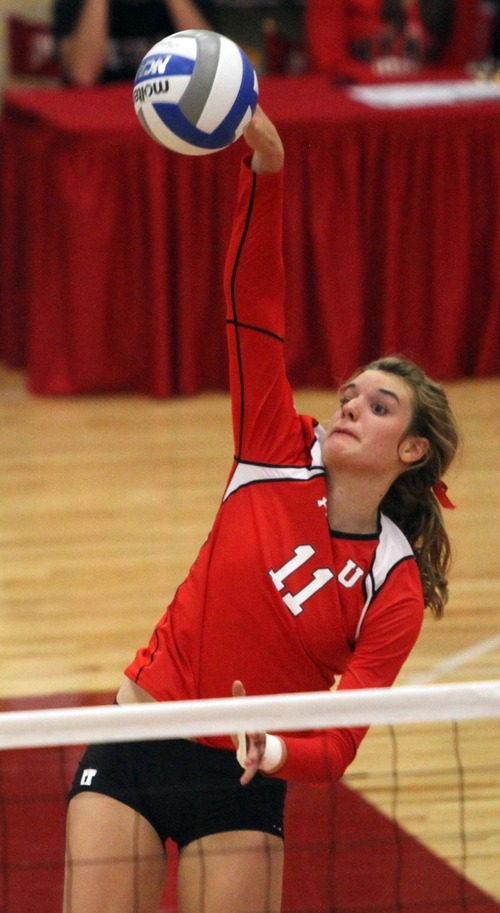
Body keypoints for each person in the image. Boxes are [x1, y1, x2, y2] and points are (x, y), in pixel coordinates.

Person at [63, 107, 460, 913]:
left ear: (412, 450)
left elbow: (342, 740)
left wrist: (275, 748)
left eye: (379, 407)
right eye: (349, 393)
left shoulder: (394, 583)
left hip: (241, 779)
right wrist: (266, 173)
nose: (349, 406)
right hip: (138, 737)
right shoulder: (272, 445)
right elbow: (253, 302)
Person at [52, 0, 218, 86]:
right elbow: (82, 76)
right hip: (101, 122)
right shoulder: (74, 3)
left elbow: (212, 67)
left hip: (172, 116)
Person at [306, 0, 458, 82]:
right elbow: (328, 64)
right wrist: (377, 73)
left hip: (427, 99)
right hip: (354, 104)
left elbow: (458, 66)